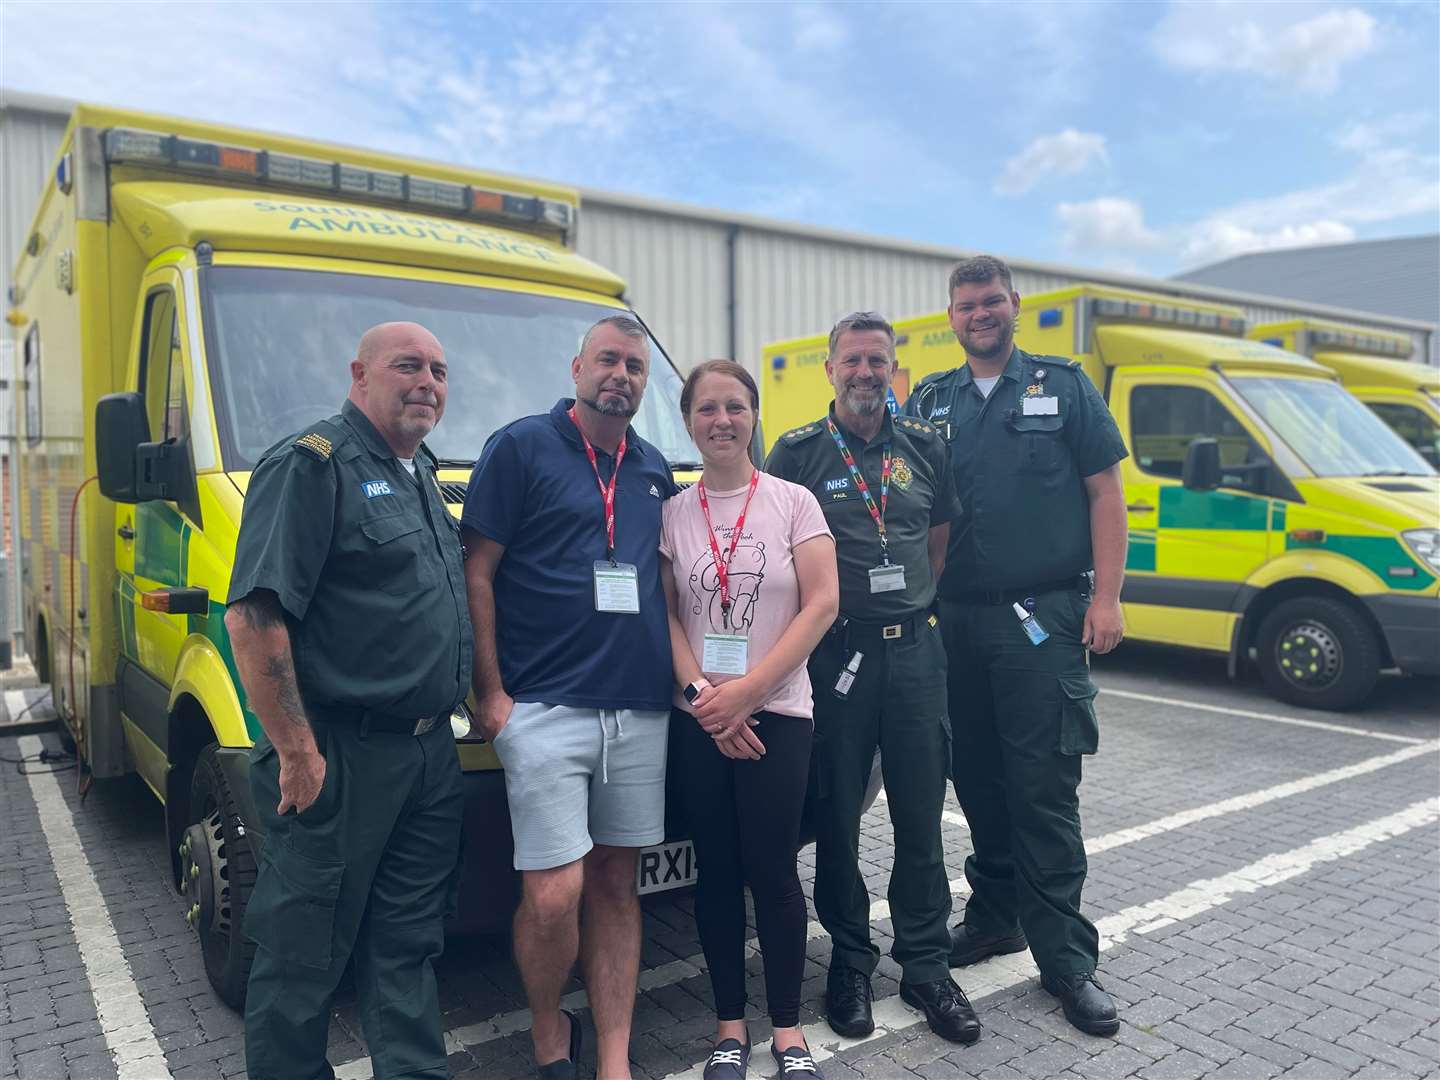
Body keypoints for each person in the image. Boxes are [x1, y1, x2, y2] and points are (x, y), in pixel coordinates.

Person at [226, 322, 472, 1080]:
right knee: (304, 950)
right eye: (408, 366)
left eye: (437, 369)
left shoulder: (420, 469)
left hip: (429, 754)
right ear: (359, 374)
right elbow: (256, 616)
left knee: (407, 943)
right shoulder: (311, 466)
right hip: (343, 754)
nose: (426, 381)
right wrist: (298, 752)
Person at [905, 255, 1128, 1037]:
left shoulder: (1065, 388)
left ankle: (1067, 961)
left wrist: (1105, 598)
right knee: (977, 779)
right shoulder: (930, 400)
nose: (979, 314)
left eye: (991, 301)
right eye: (966, 305)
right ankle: (995, 915)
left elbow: (1106, 492)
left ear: (1014, 305)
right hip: (953, 620)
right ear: (952, 314)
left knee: (1042, 787)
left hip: (1042, 618)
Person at [462, 314, 677, 1080]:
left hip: (639, 706)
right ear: (577, 368)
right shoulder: (519, 447)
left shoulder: (654, 469)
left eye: (636, 367)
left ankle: (613, 1055)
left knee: (619, 883)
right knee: (554, 894)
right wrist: (490, 693)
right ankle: (550, 1027)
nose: (621, 375)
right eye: (608, 361)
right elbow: (477, 571)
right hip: (545, 707)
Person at [765, 312, 980, 1046]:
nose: (865, 373)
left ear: (895, 371)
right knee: (838, 815)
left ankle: (924, 965)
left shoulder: (926, 447)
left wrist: (904, 609)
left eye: (878, 361)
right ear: (830, 370)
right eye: (853, 361)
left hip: (917, 653)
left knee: (921, 810)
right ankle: (851, 962)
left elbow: (937, 546)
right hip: (837, 658)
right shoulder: (795, 454)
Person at [660, 360, 839, 1079]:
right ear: (690, 422)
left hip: (779, 717)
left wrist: (750, 692)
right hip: (700, 719)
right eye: (707, 409)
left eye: (735, 406)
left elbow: (821, 602)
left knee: (772, 869)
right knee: (716, 871)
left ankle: (789, 1031)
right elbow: (667, 612)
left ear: (753, 415)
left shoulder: (793, 502)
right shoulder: (674, 510)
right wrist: (707, 695)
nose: (722, 420)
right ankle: (729, 1028)